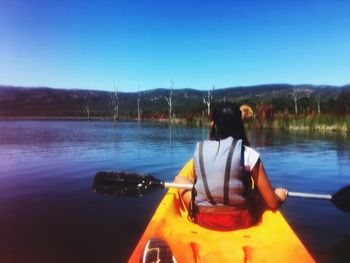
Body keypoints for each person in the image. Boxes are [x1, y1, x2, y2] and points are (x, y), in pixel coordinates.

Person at [174, 102, 288, 231]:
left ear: (213, 125)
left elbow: (197, 186)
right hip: (241, 220)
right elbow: (272, 202)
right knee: (260, 193)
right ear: (239, 124)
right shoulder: (248, 154)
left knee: (179, 180)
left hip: (204, 220)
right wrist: (280, 196)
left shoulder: (199, 152)